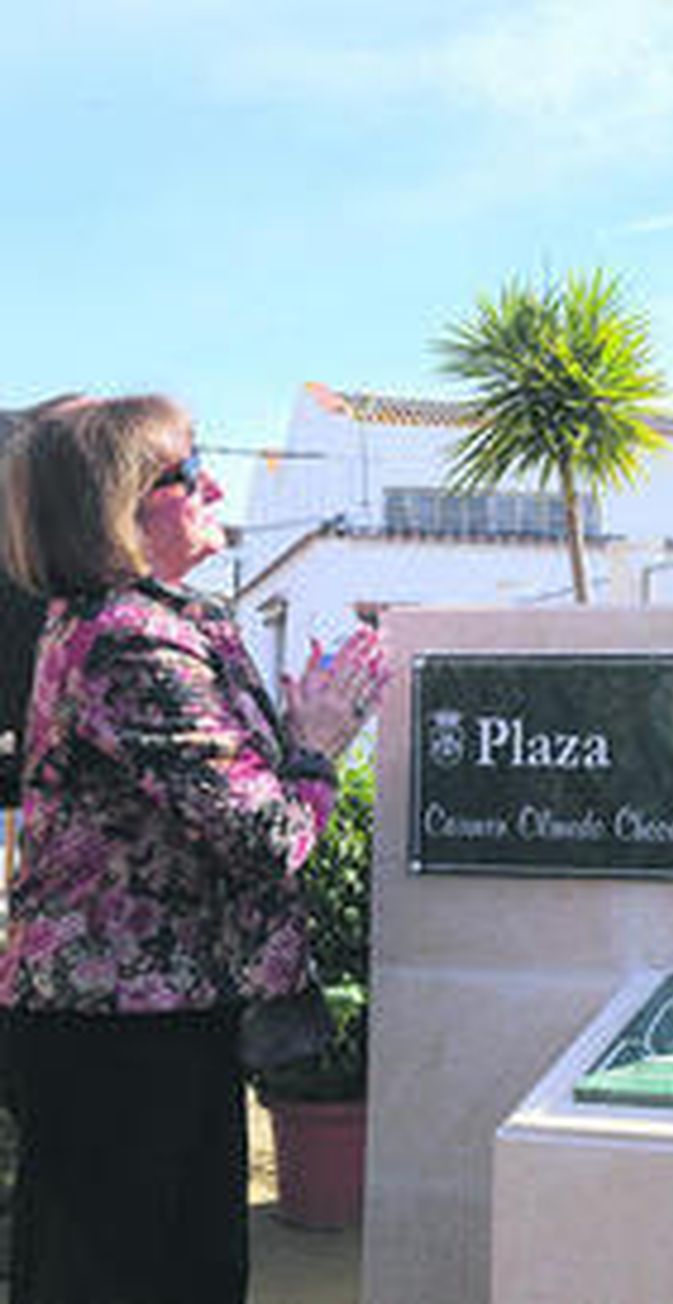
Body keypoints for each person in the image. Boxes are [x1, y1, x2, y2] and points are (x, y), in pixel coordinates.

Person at [0, 394, 388, 1303]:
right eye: (187, 469)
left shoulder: (160, 623)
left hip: (155, 1023)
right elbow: (267, 835)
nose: (214, 482)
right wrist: (318, 747)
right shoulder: (129, 641)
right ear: (119, 505)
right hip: (120, 1040)